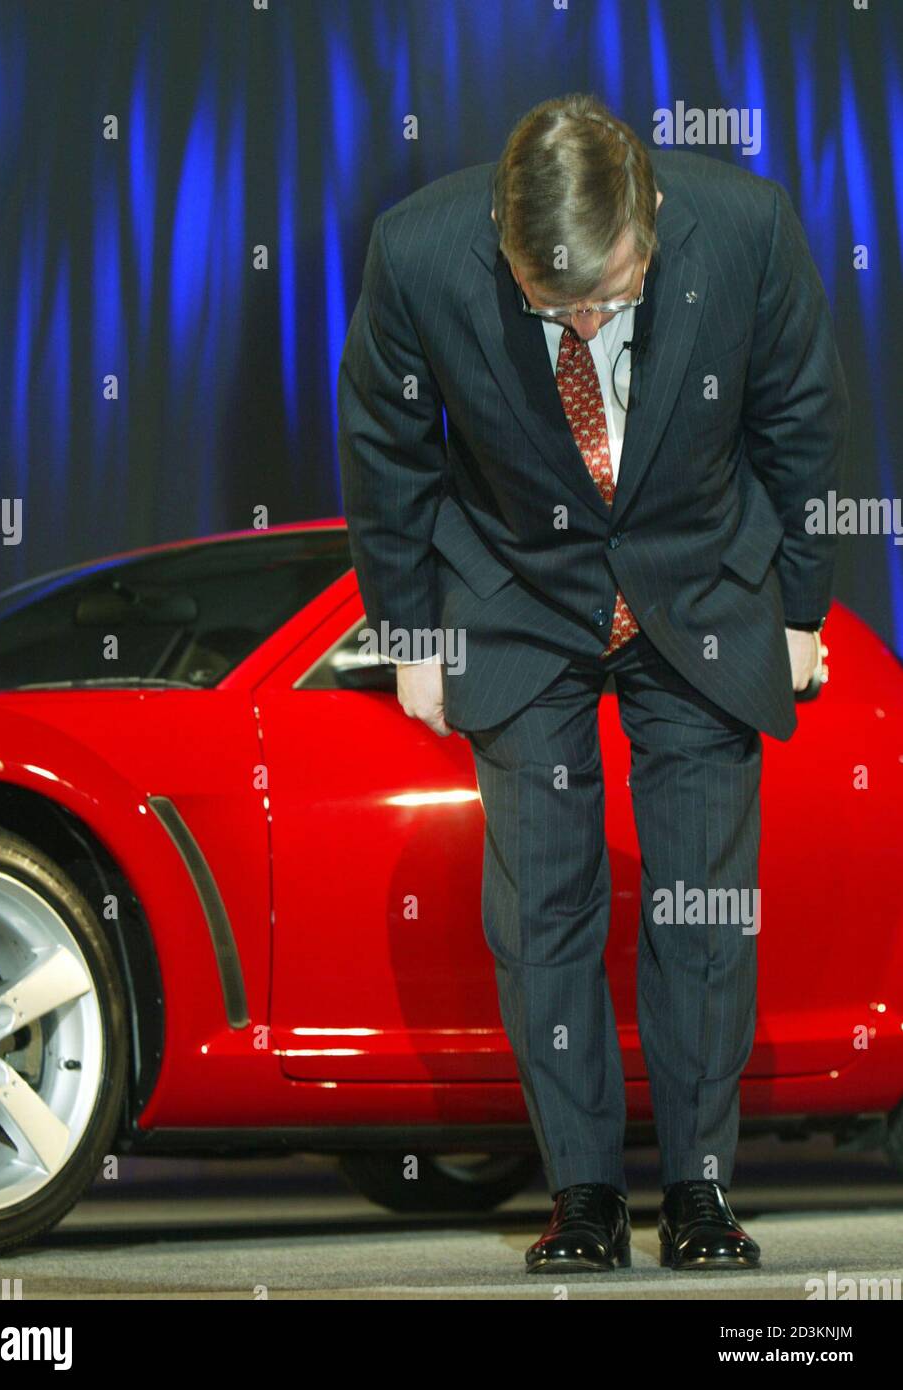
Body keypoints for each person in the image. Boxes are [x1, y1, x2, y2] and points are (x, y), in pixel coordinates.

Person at [337, 92, 848, 1274]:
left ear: (650, 216)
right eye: (550, 303)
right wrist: (412, 632)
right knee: (539, 914)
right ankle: (581, 1194)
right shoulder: (418, 251)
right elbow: (386, 446)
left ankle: (699, 1190)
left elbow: (800, 422)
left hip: (702, 580)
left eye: (606, 297)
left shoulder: (747, 226)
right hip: (518, 590)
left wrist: (803, 608)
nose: (581, 320)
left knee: (702, 909)